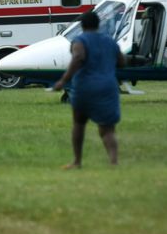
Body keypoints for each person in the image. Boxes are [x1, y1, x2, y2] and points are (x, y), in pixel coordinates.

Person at [53, 11, 125, 169]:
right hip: (108, 87)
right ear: (98, 24)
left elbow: (78, 57)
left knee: (79, 123)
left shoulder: (79, 40)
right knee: (107, 129)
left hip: (85, 87)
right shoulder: (110, 41)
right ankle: (113, 162)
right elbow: (121, 61)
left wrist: (64, 80)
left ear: (82, 25)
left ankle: (77, 161)